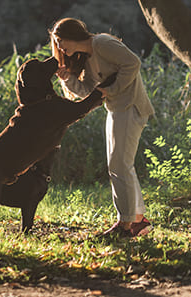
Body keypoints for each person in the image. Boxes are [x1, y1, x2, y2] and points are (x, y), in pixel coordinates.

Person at [49, 17, 154, 238]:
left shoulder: (102, 43)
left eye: (60, 41)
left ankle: (124, 225)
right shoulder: (86, 58)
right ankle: (137, 221)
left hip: (130, 106)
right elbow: (88, 92)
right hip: (117, 109)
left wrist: (112, 89)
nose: (59, 47)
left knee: (119, 165)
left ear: (72, 35)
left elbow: (133, 63)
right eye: (56, 42)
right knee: (121, 165)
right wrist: (67, 79)